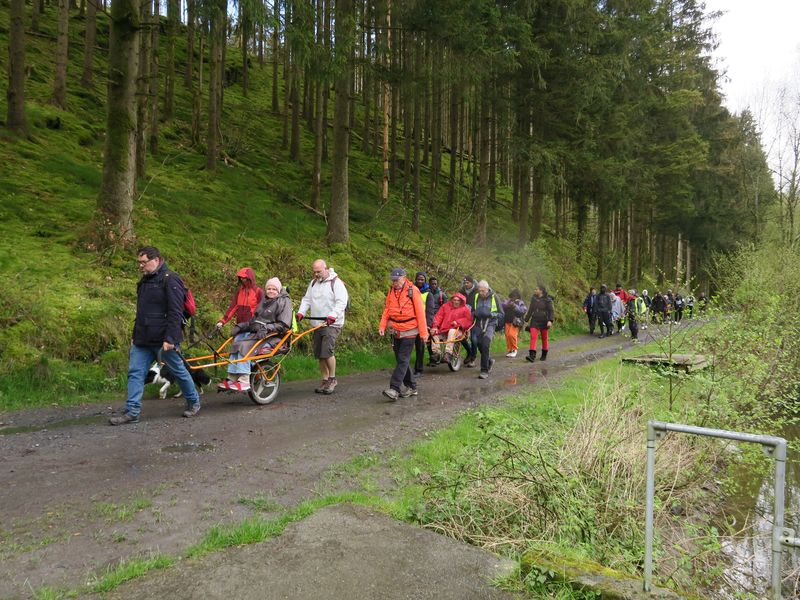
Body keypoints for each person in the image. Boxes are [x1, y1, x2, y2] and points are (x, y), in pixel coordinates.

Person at [109, 246, 201, 425]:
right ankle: (132, 411)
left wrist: (171, 339)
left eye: (144, 262)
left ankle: (193, 401)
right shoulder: (143, 281)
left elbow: (175, 312)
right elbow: (141, 312)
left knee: (178, 371)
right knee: (135, 373)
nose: (141, 266)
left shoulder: (171, 279)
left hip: (163, 340)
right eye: (139, 263)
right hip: (143, 338)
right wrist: (135, 335)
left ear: (156, 260)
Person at [220, 278, 293, 392]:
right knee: (236, 343)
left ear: (278, 290)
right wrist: (242, 326)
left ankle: (244, 380)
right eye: (269, 288)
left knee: (244, 347)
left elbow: (284, 325)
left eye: (274, 289)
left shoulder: (284, 302)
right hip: (259, 334)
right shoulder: (264, 300)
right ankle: (232, 377)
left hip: (274, 336)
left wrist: (267, 328)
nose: (271, 291)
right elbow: (255, 320)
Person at [296, 259, 349, 395]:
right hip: (317, 324)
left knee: (327, 351)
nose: (316, 274)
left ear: (326, 269)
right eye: (314, 272)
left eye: (319, 271)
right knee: (320, 354)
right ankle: (325, 380)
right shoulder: (313, 283)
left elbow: (341, 302)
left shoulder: (335, 283)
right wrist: (301, 312)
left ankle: (332, 379)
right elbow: (307, 299)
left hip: (332, 323)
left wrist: (332, 316)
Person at [379, 268, 428, 400]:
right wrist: (382, 325)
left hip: (410, 330)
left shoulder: (413, 291)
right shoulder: (391, 291)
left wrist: (423, 333)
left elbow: (420, 313)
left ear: (404, 278)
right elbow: (387, 310)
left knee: (402, 359)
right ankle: (412, 386)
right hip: (395, 331)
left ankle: (394, 389)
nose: (395, 282)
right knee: (402, 361)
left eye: (397, 280)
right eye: (393, 280)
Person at [215, 268, 264, 332]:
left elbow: (263, 311)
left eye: (243, 277)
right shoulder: (240, 291)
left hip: (252, 328)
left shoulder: (258, 292)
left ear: (249, 278)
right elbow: (232, 308)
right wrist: (222, 321)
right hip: (239, 326)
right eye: (240, 277)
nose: (241, 279)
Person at [430, 293, 473, 364]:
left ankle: (448, 354)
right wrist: (435, 327)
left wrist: (458, 322)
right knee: (434, 332)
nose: (456, 302)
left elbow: (468, 321)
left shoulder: (465, 309)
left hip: (458, 331)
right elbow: (438, 317)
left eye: (458, 300)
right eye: (454, 300)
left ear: (461, 301)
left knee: (452, 331)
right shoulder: (445, 306)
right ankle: (436, 354)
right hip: (444, 330)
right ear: (452, 300)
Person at [472, 280, 503, 378]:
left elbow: (501, 314)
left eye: (483, 291)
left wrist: (490, 314)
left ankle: (484, 371)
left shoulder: (494, 297)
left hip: (491, 323)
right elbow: (473, 310)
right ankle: (489, 360)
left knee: (485, 343)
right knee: (477, 343)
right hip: (478, 323)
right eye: (479, 291)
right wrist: (474, 313)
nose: (481, 293)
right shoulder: (477, 296)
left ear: (487, 289)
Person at [524, 285, 555, 361]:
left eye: (536, 289)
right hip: (535, 320)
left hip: (544, 321)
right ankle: (532, 356)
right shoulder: (534, 298)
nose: (534, 290)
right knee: (533, 337)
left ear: (541, 291)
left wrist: (550, 320)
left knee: (544, 338)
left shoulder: (548, 300)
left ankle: (544, 354)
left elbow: (551, 311)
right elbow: (530, 309)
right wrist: (526, 320)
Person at [425, 277, 448, 365]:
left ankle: (437, 356)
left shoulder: (442, 295)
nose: (433, 285)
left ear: (437, 284)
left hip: (438, 320)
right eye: (432, 284)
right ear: (429, 284)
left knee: (435, 336)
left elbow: (446, 309)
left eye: (435, 284)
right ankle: (433, 358)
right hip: (428, 319)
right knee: (428, 339)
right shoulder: (426, 294)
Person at [413, 272, 430, 376]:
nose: (420, 281)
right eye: (418, 279)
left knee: (420, 347)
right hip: (410, 322)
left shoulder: (428, 294)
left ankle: (419, 369)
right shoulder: (411, 291)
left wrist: (427, 324)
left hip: (422, 323)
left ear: (425, 281)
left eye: (422, 279)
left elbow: (429, 311)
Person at [502, 289, 527, 358]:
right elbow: (502, 306)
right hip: (507, 321)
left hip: (515, 322)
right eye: (512, 296)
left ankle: (514, 350)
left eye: (514, 296)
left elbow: (522, 311)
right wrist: (507, 304)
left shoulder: (520, 303)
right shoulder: (508, 302)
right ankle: (510, 350)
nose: (513, 298)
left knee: (512, 335)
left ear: (518, 296)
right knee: (507, 335)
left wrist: (514, 306)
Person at [460, 276, 479, 366]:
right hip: (463, 318)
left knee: (473, 339)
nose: (466, 284)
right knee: (460, 336)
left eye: (468, 282)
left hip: (475, 317)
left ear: (472, 283)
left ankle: (473, 358)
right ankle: (469, 352)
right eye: (465, 283)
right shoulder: (461, 292)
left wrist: (476, 312)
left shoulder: (477, 292)